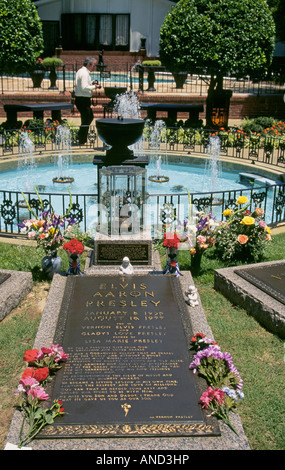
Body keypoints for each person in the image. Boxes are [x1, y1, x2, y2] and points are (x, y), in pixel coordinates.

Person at [75, 57, 101, 144]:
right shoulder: (84, 73)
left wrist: (92, 83)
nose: (94, 67)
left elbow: (83, 85)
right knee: (86, 119)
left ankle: (80, 135)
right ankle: (82, 139)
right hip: (83, 99)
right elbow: (84, 88)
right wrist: (95, 87)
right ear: (88, 64)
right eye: (93, 65)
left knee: (88, 117)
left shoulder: (80, 71)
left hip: (81, 99)